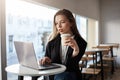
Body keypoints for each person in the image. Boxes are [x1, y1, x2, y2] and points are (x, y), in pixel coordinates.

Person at [40, 9, 87, 80]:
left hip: (70, 74)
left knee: (64, 76)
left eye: (62, 22)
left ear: (71, 23)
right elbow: (47, 60)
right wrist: (46, 60)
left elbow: (71, 67)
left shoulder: (81, 42)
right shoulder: (51, 42)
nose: (59, 26)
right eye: (56, 23)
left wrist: (75, 52)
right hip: (53, 74)